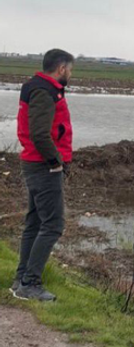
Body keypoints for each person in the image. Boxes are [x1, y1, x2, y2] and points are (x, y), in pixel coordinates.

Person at [11, 49, 75, 301]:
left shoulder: (38, 87)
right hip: (43, 166)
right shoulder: (44, 91)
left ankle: (21, 278)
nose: (70, 74)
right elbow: (39, 134)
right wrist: (56, 161)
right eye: (70, 69)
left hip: (36, 163)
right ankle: (30, 282)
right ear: (61, 69)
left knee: (36, 221)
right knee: (53, 224)